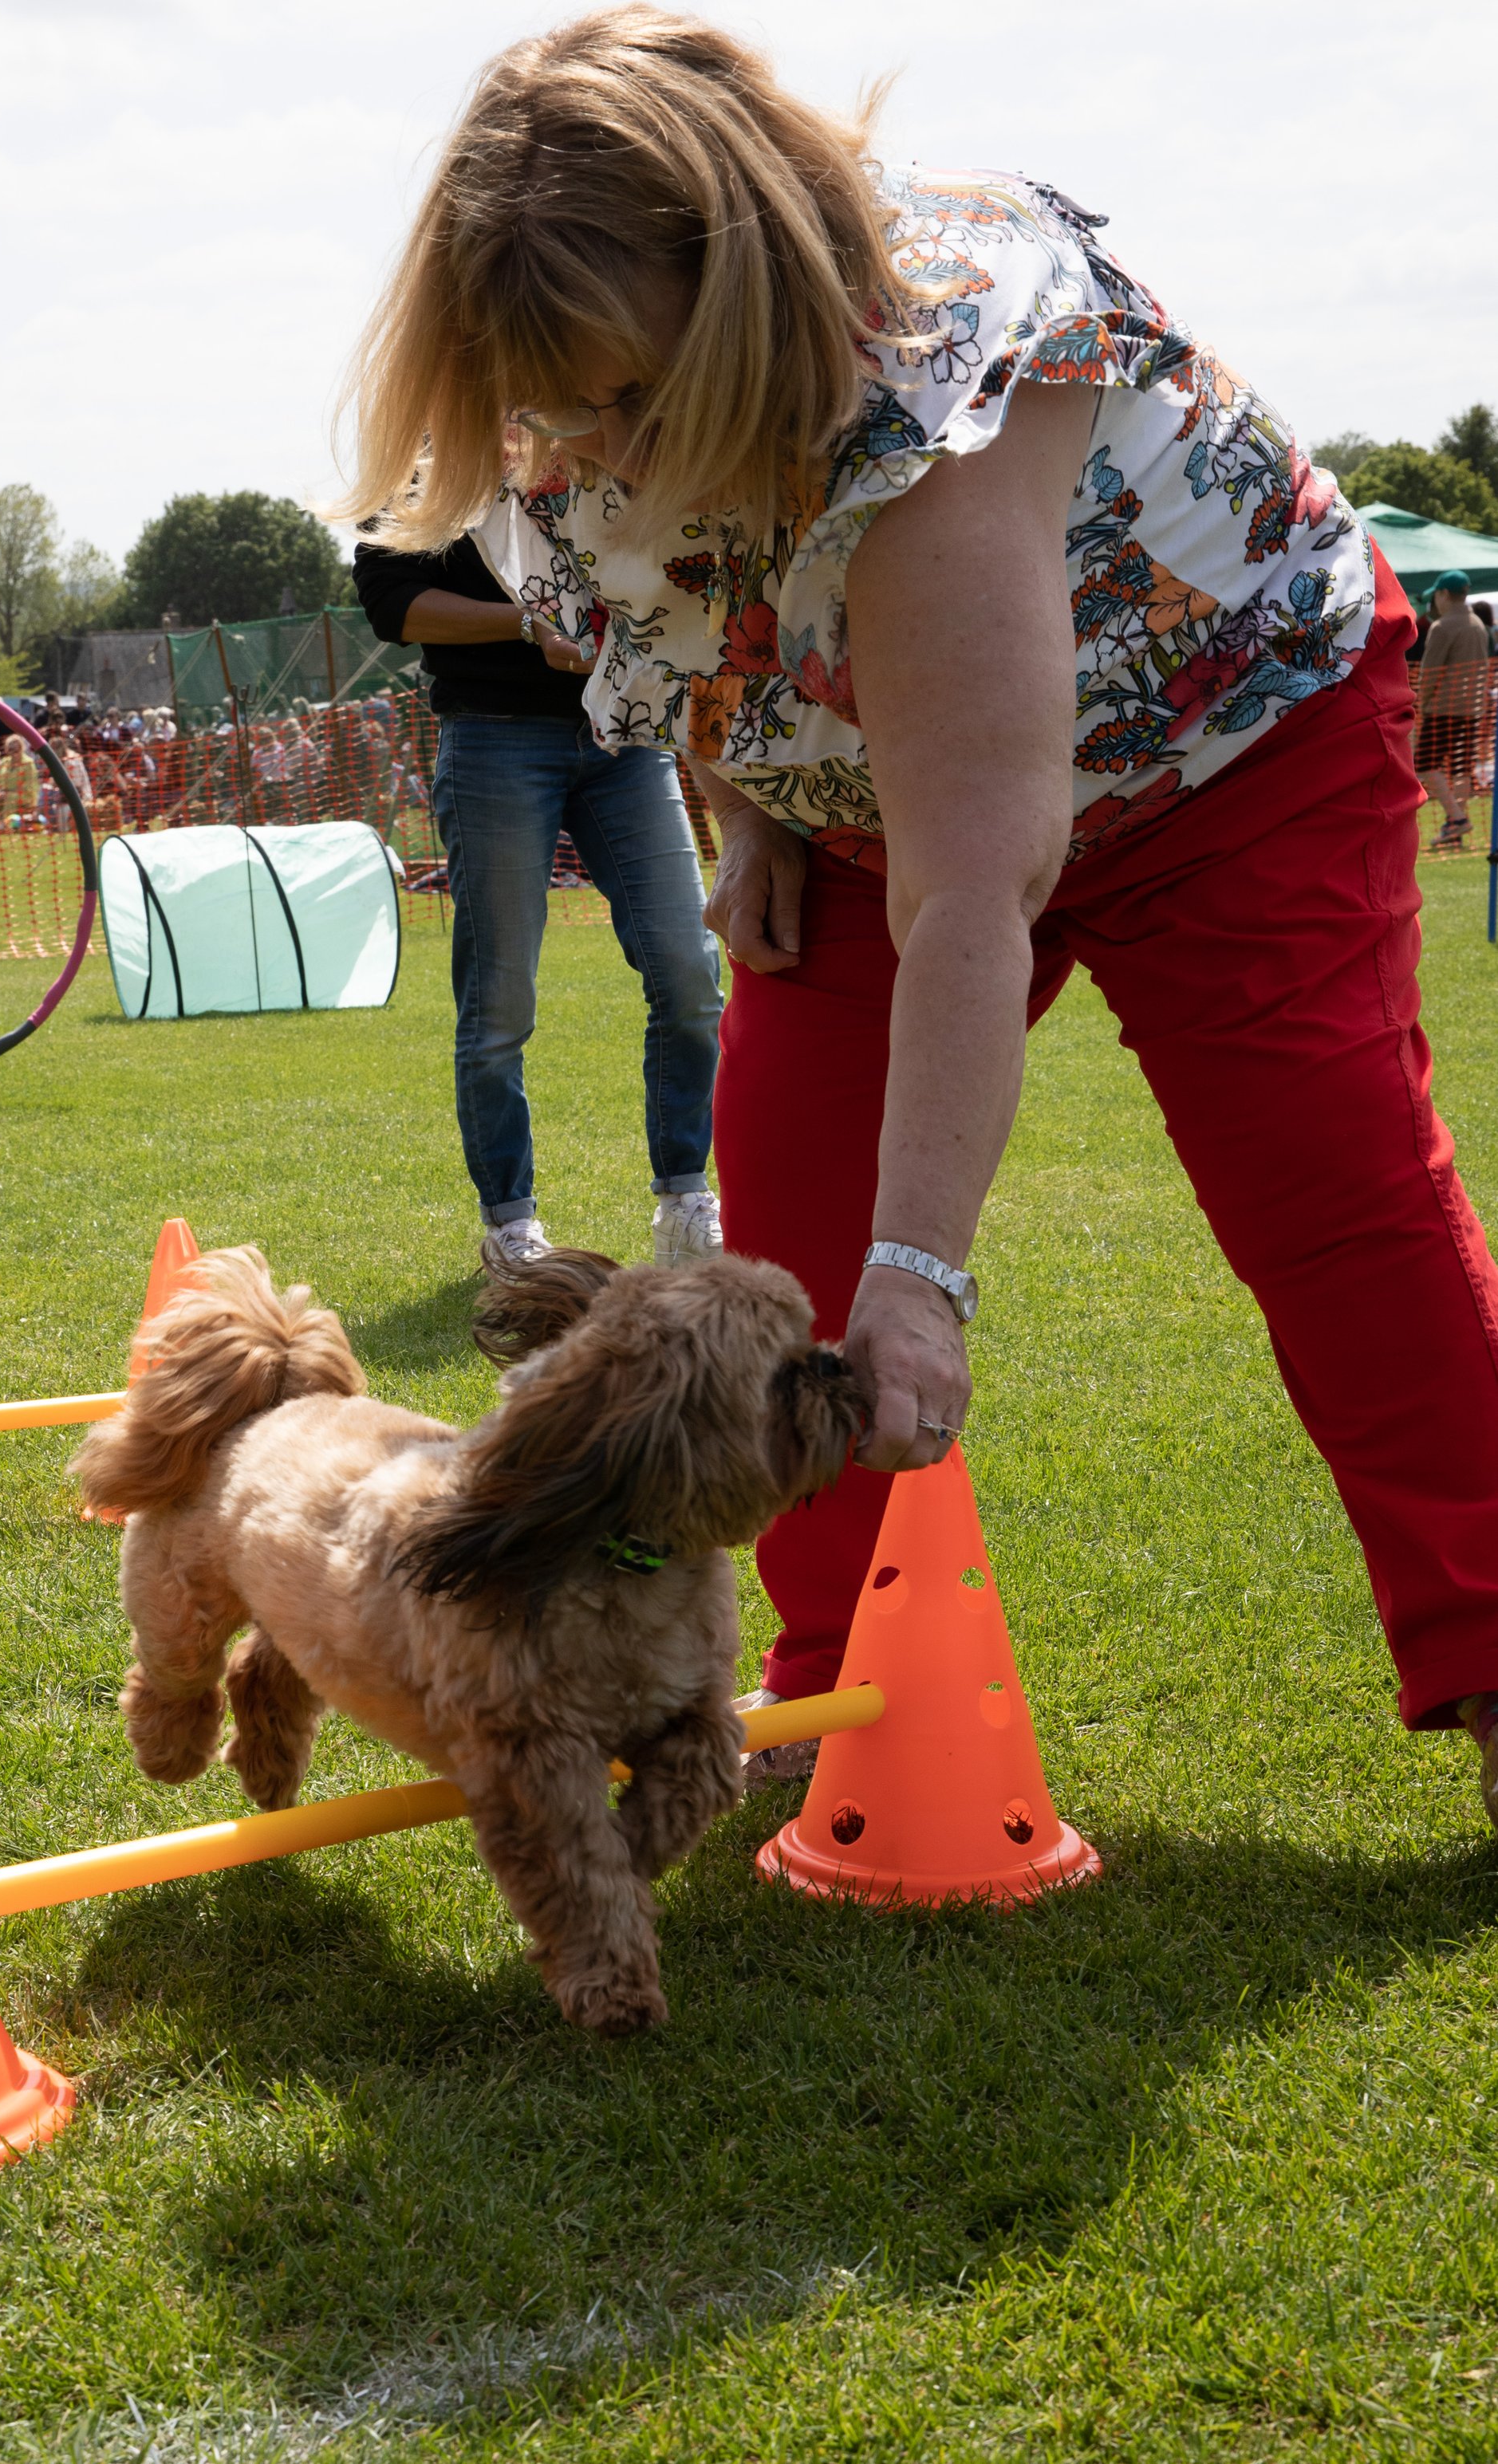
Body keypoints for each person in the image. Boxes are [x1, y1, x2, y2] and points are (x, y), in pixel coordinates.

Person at [338, 9, 1498, 1807]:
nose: (597, 439)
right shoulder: (553, 404)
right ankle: (827, 1702)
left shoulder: (944, 370)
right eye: (564, 402)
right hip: (874, 817)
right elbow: (667, 622)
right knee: (779, 1241)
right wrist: (755, 811)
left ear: (734, 302)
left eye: (632, 396)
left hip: (1227, 744)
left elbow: (981, 874)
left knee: (1326, 1192)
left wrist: (921, 1280)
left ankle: (1495, 1654)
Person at [354, 527, 724, 1265]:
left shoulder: (598, 435)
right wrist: (525, 624)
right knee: (500, 1006)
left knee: (689, 971)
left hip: (626, 734)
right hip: (494, 738)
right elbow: (393, 605)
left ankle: (686, 1201)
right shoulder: (426, 465)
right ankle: (511, 1226)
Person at [1416, 572, 1489, 849]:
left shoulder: (1443, 626)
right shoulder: (1477, 624)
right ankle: (1455, 827)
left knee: (1424, 765)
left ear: (1444, 594)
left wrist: (1422, 704)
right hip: (1472, 709)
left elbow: (1429, 673)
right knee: (1461, 769)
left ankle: (1456, 819)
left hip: (1442, 708)